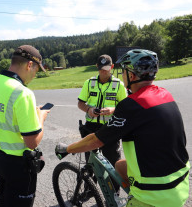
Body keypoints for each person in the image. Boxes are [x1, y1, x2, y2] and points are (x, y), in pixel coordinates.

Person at [55, 49, 190, 207]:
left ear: (131, 75)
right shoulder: (165, 94)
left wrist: (67, 149)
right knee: (118, 166)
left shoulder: (132, 104)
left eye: (124, 72)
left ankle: (134, 198)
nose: (122, 75)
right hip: (180, 182)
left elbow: (96, 140)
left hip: (154, 196)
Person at [0, 45, 50, 207]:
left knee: (4, 197)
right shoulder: (23, 93)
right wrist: (40, 117)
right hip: (19, 165)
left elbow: (5, 116)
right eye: (36, 70)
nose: (35, 75)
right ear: (29, 65)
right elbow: (32, 142)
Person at [78, 54, 127, 191]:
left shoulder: (119, 85)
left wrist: (113, 109)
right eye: (100, 69)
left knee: (112, 162)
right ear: (96, 67)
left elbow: (125, 107)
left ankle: (114, 194)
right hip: (91, 128)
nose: (103, 72)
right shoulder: (89, 83)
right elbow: (80, 103)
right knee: (90, 162)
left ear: (112, 67)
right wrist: (89, 109)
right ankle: (89, 190)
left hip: (111, 128)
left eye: (106, 69)